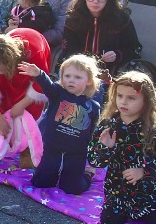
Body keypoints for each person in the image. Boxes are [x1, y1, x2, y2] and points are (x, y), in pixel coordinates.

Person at [88, 70, 156, 224]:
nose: (123, 102)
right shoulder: (108, 125)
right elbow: (94, 161)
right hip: (118, 193)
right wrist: (106, 148)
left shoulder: (155, 130)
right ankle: (134, 214)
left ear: (146, 101)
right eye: (120, 96)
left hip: (149, 193)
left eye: (131, 98)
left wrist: (143, 171)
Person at [20, 54, 103, 195]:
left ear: (88, 80)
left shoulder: (93, 106)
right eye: (67, 76)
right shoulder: (57, 94)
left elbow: (93, 132)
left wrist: (94, 152)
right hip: (52, 149)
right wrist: (39, 74)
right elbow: (48, 85)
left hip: (76, 154)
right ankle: (51, 173)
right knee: (40, 183)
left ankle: (87, 175)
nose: (71, 80)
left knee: (73, 189)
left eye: (78, 77)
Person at [0, 27, 51, 162]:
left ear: (9, 63)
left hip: (29, 67)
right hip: (10, 63)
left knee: (31, 111)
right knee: (2, 102)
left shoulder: (35, 53)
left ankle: (28, 152)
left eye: (0, 70)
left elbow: (39, 85)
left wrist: (22, 105)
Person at [61, 0, 141, 75]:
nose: (95, 1)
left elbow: (134, 48)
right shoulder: (73, 19)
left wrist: (117, 55)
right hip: (80, 71)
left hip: (112, 72)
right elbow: (68, 51)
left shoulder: (121, 19)